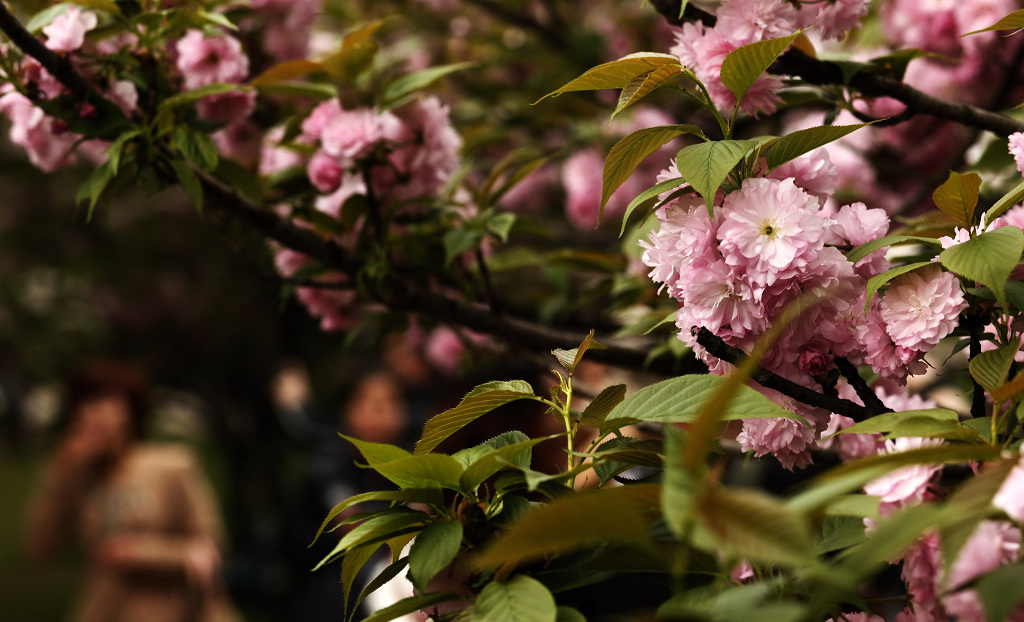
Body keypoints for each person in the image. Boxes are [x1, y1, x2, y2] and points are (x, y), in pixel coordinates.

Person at [25, 361, 237, 622]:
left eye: (107, 402)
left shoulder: (172, 466)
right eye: (86, 403)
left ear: (131, 411)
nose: (94, 414)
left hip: (172, 609)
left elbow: (211, 546)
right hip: (105, 609)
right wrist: (61, 472)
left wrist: (139, 553)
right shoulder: (77, 475)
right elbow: (41, 548)